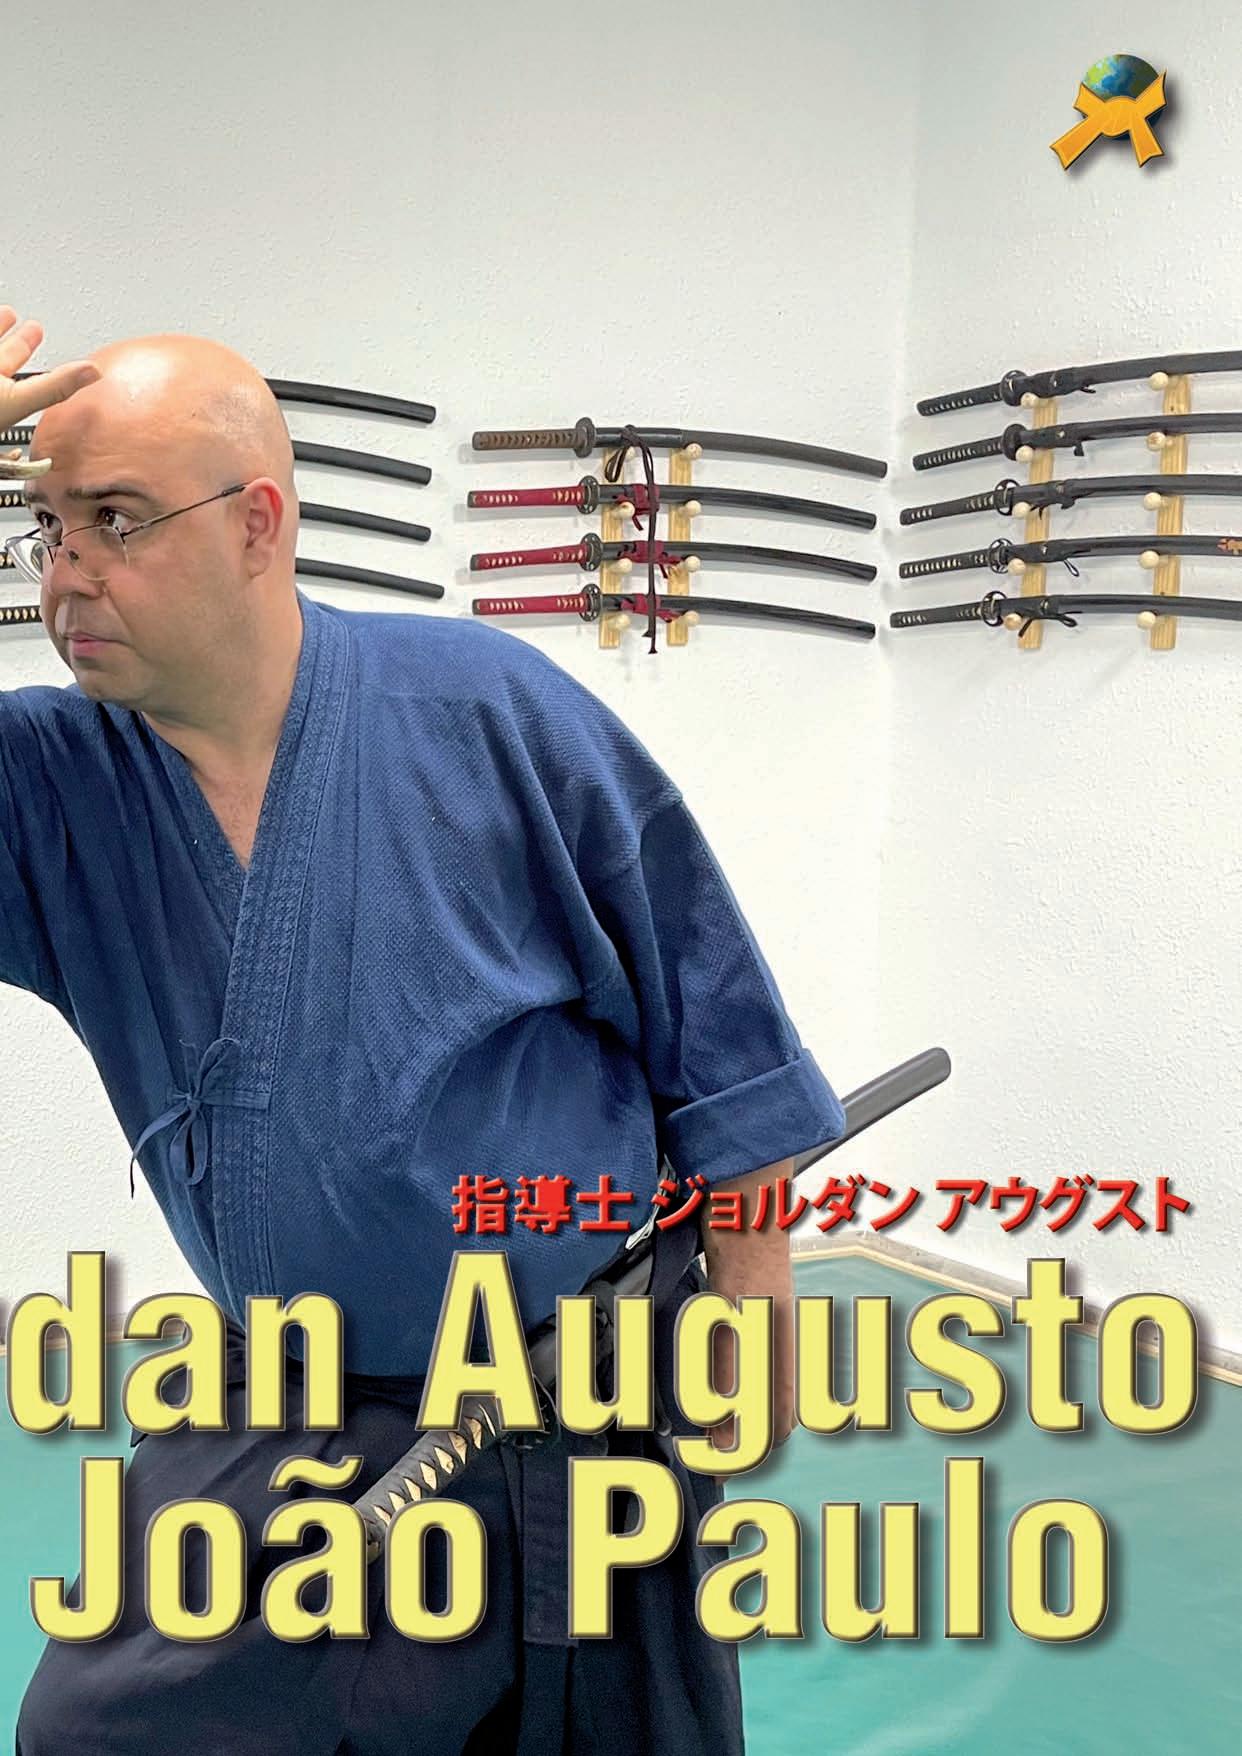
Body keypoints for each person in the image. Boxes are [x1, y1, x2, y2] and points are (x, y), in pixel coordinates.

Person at [0, 304, 846, 1754]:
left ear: (256, 522)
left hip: (583, 1391)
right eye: (46, 527)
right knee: (104, 1731)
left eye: (115, 522)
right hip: (288, 1405)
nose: (66, 572)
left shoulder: (485, 711)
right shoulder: (51, 787)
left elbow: (717, 1035)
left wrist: (753, 1323)